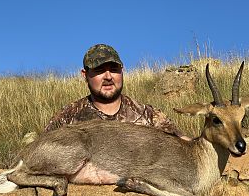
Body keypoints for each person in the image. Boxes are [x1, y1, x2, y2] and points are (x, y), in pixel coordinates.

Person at [45, 44, 186, 139]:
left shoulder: (148, 115)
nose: (108, 77)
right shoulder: (67, 118)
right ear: (85, 75)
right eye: (99, 70)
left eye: (114, 70)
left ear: (122, 71)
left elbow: (183, 144)